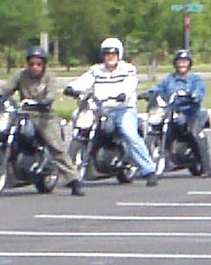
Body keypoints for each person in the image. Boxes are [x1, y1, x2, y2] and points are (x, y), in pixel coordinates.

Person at [66, 37, 159, 186]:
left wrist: (123, 94)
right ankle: (71, 172)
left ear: (119, 54)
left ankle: (149, 170)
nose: (110, 57)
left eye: (113, 54)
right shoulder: (96, 70)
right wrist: (72, 88)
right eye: (107, 54)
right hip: (100, 109)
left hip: (123, 109)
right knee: (78, 116)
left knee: (129, 133)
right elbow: (83, 81)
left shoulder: (127, 69)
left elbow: (131, 84)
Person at [0, 45, 84, 196]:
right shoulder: (21, 75)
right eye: (31, 64)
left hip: (44, 115)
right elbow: (6, 88)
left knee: (56, 146)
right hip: (24, 113)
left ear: (44, 64)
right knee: (6, 132)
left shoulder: (49, 77)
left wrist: (46, 101)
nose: (35, 67)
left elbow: (51, 94)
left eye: (38, 64)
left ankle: (74, 179)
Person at [150, 49, 211, 177]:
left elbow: (199, 92)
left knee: (195, 133)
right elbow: (159, 89)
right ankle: (155, 163)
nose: (182, 64)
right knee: (159, 127)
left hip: (190, 113)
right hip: (172, 111)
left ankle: (207, 168)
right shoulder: (170, 79)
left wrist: (194, 95)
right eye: (179, 61)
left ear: (189, 63)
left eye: (185, 61)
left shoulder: (195, 79)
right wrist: (149, 93)